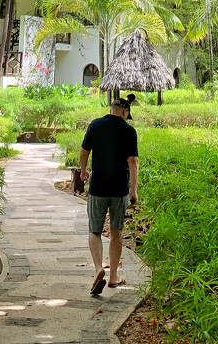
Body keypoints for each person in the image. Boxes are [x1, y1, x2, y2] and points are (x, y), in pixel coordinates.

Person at [79, 95, 138, 296]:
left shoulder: (95, 125)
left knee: (94, 231)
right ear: (124, 112)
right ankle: (113, 276)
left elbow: (84, 151)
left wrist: (83, 171)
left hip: (97, 188)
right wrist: (134, 191)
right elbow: (133, 162)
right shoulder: (129, 130)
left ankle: (98, 269)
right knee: (116, 232)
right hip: (120, 188)